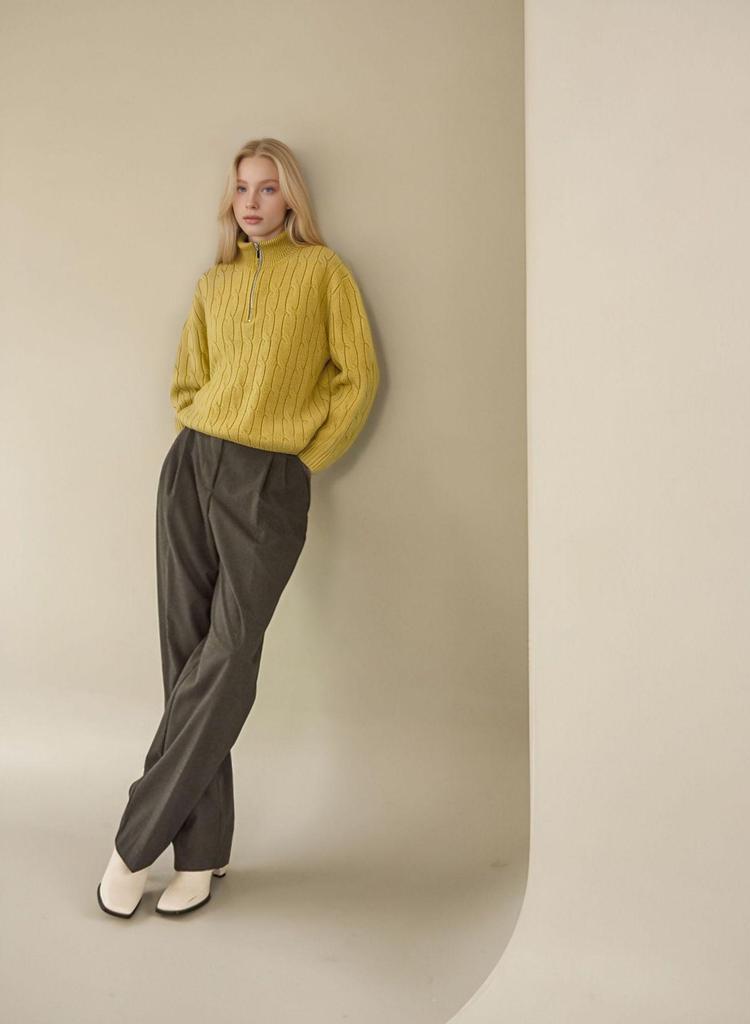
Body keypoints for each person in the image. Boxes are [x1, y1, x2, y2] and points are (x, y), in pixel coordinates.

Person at [97, 137, 380, 918]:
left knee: (227, 654)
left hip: (267, 480)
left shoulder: (323, 273)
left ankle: (133, 841)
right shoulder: (214, 283)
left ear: (292, 199)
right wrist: (199, 434)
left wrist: (301, 459)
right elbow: (187, 380)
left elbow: (358, 377)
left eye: (268, 188)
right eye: (242, 189)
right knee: (187, 655)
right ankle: (201, 853)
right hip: (191, 466)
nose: (252, 203)